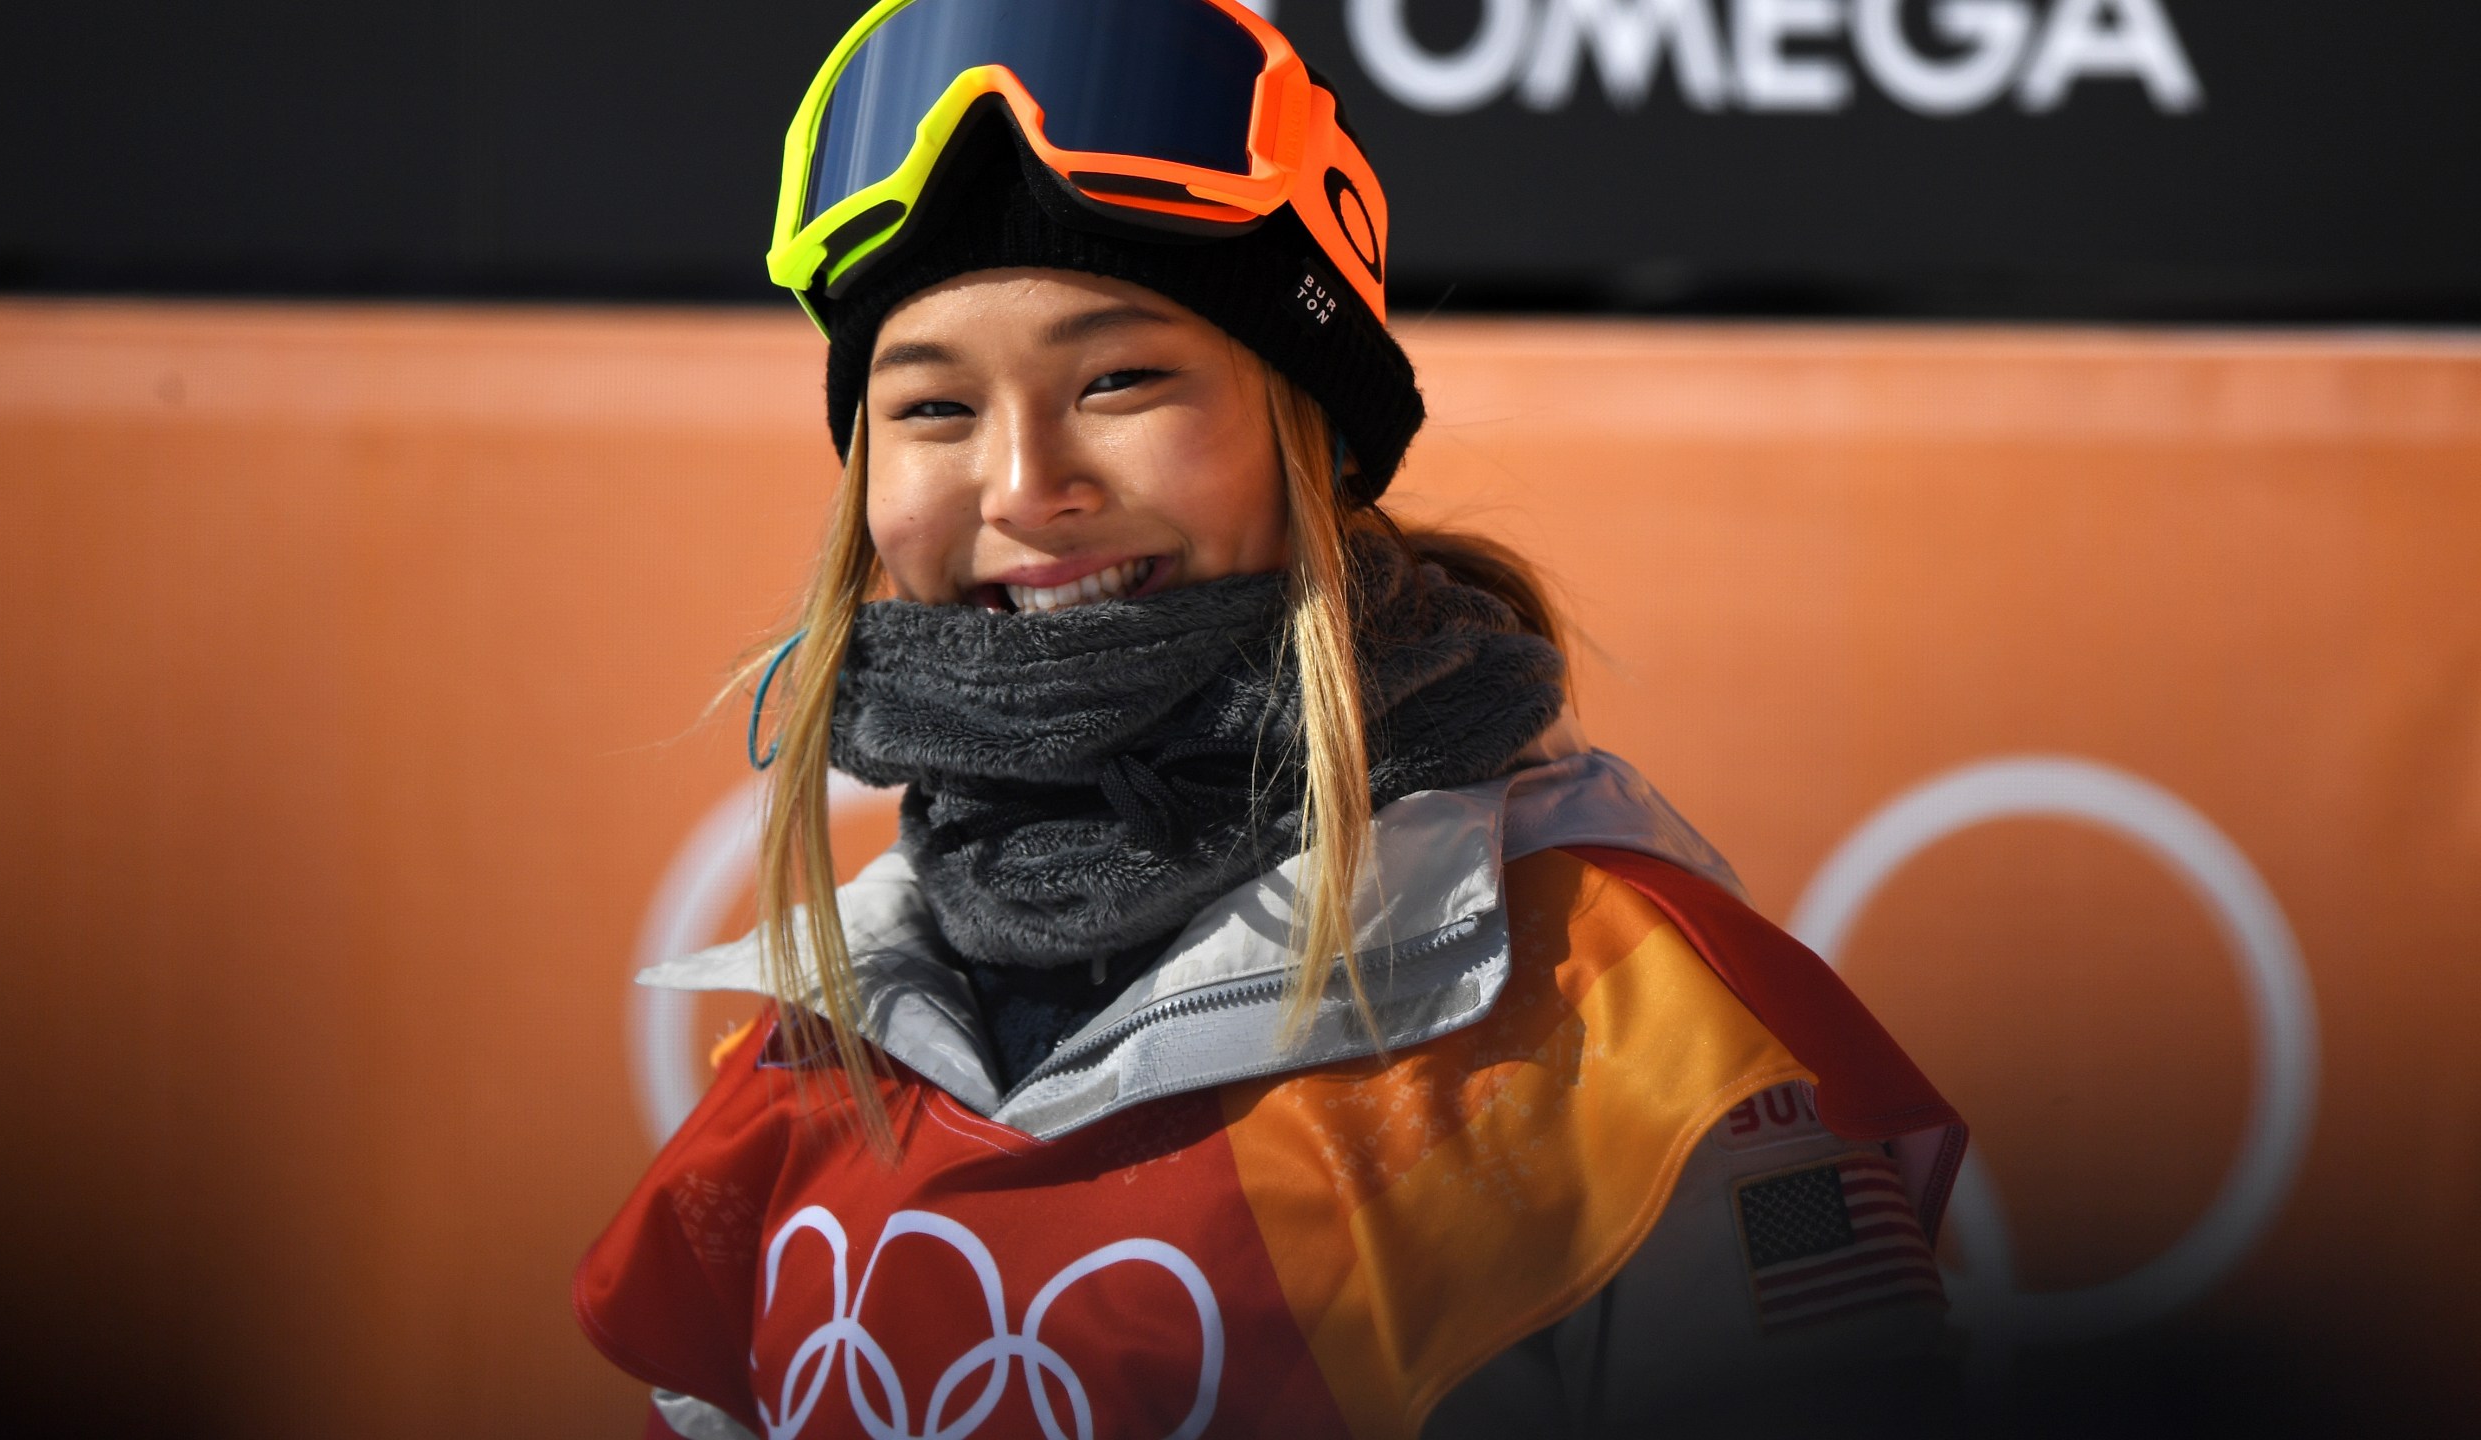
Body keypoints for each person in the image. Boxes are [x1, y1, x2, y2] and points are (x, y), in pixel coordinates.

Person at [577, 3, 1967, 1436]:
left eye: (1118, 379)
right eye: (932, 408)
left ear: (1315, 432)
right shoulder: (830, 1043)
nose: (1018, 485)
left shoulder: (1637, 1026)